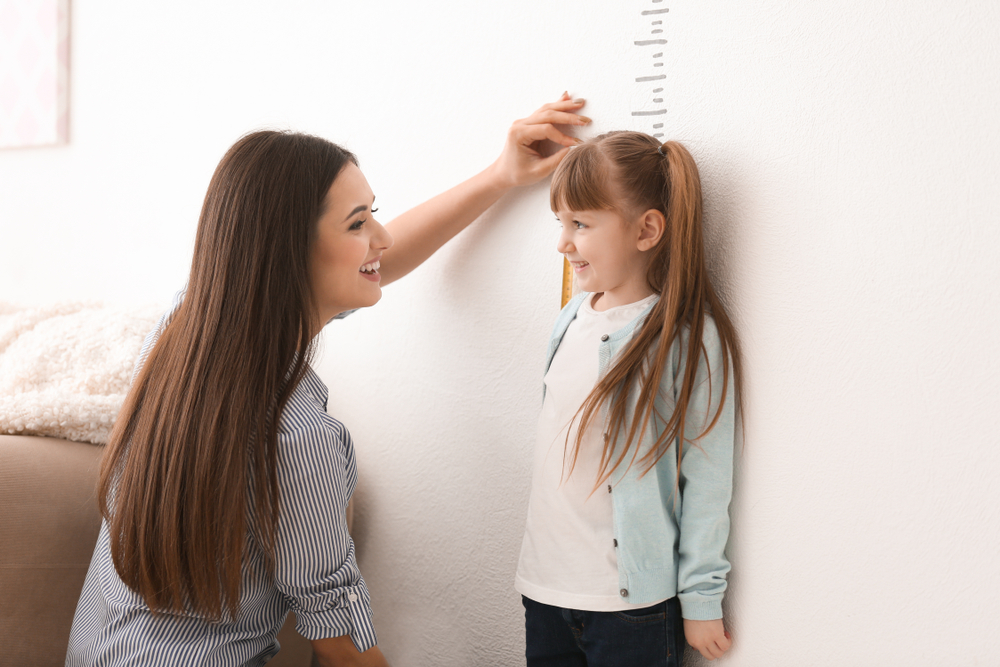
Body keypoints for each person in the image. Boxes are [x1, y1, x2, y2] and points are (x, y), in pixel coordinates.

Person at [65, 94, 590, 667]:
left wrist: (499, 176)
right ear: (291, 252)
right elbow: (340, 642)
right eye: (359, 222)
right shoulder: (298, 436)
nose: (381, 237)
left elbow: (373, 261)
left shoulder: (186, 328)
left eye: (372, 213)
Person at [514, 131, 743, 665]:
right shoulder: (569, 320)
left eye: (581, 224)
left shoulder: (684, 338)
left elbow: (708, 478)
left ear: (647, 230)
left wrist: (702, 598)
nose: (563, 243)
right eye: (561, 224)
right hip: (546, 590)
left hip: (631, 609)